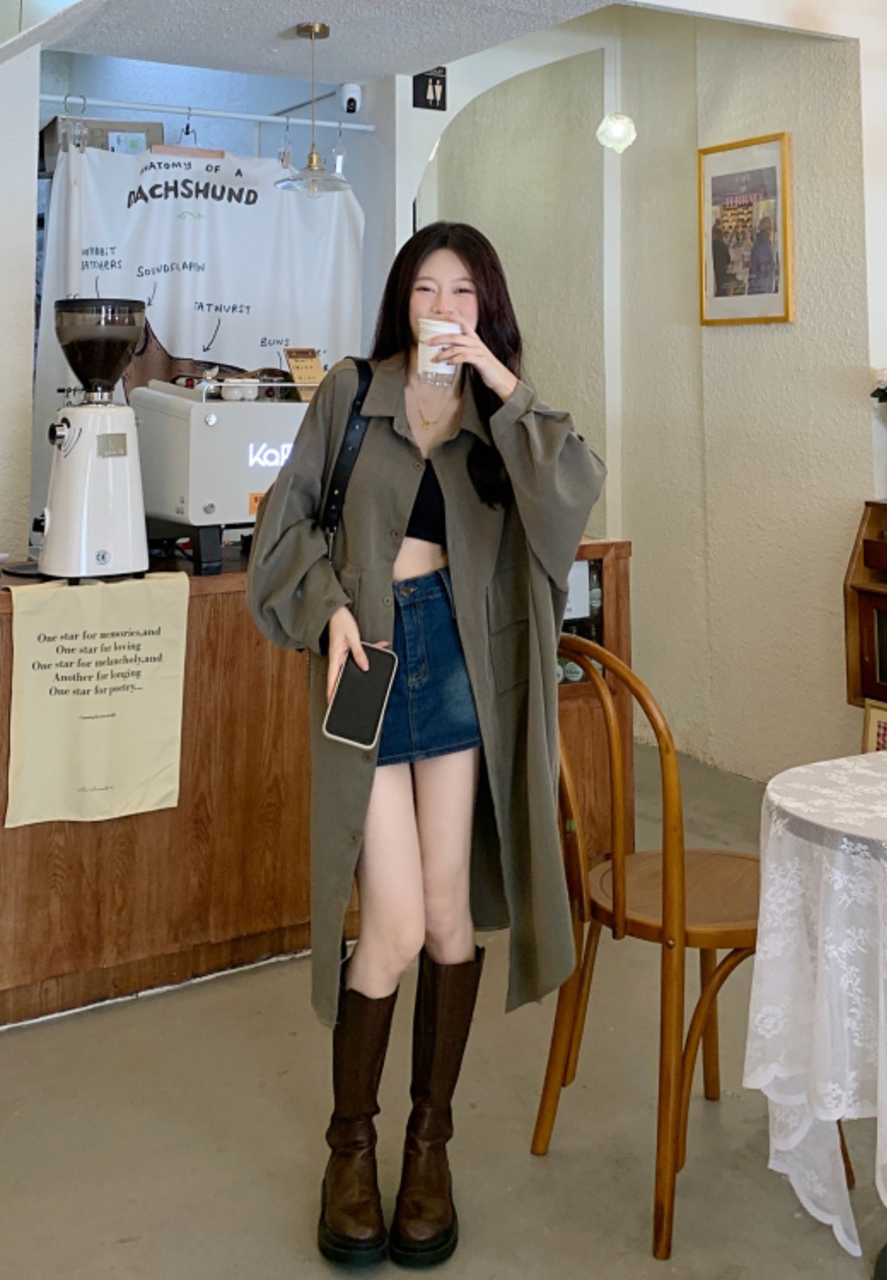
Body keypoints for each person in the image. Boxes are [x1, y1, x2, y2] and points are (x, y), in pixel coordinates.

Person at [246, 222, 605, 1269]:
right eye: (425, 289)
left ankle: (427, 1146)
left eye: (463, 293)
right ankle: (350, 1150)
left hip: (456, 664)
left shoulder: (500, 417)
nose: (442, 307)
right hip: (366, 658)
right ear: (401, 301)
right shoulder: (350, 393)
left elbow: (572, 496)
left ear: (486, 309)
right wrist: (327, 609)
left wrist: (500, 378)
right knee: (395, 923)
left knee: (449, 916)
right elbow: (286, 528)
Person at [747, 215, 777, 295]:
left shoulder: (758, 242)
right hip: (761, 289)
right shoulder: (763, 245)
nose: (771, 232)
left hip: (756, 287)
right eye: (770, 229)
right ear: (767, 229)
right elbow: (764, 269)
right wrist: (774, 268)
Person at [711, 218, 732, 296]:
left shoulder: (712, 246)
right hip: (722, 272)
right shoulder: (723, 245)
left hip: (714, 272)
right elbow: (728, 259)